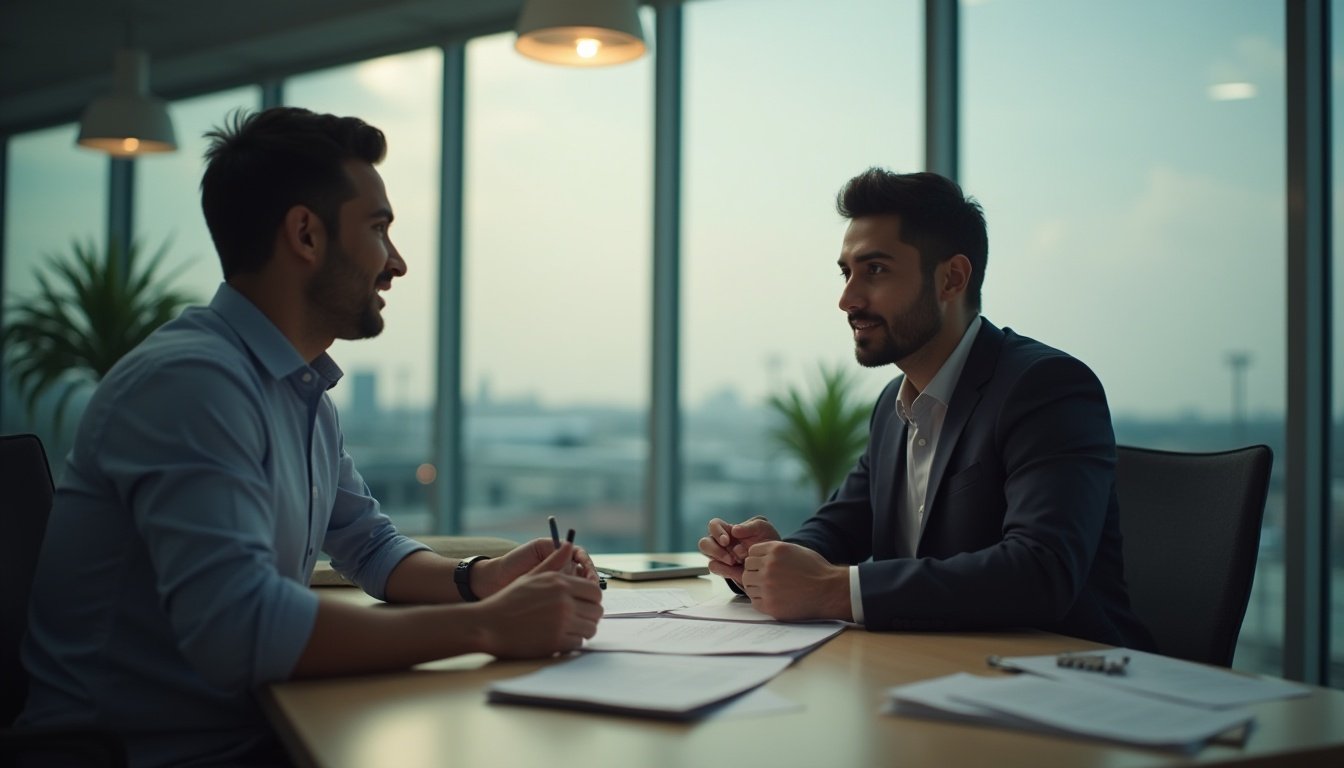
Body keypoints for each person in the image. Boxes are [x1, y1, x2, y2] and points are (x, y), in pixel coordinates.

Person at [18, 107, 604, 767]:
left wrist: (485, 579)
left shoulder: (292, 389)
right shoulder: (192, 385)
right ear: (305, 234)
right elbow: (241, 631)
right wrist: (489, 627)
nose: (398, 263)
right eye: (379, 229)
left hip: (247, 734)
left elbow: (370, 546)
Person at [700, 168, 1154, 650]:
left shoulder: (1045, 387)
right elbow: (840, 527)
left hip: (1071, 682)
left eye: (875, 270)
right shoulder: (893, 405)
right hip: (934, 672)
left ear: (952, 279)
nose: (847, 299)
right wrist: (766, 559)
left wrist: (833, 590)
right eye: (846, 272)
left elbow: (1040, 572)